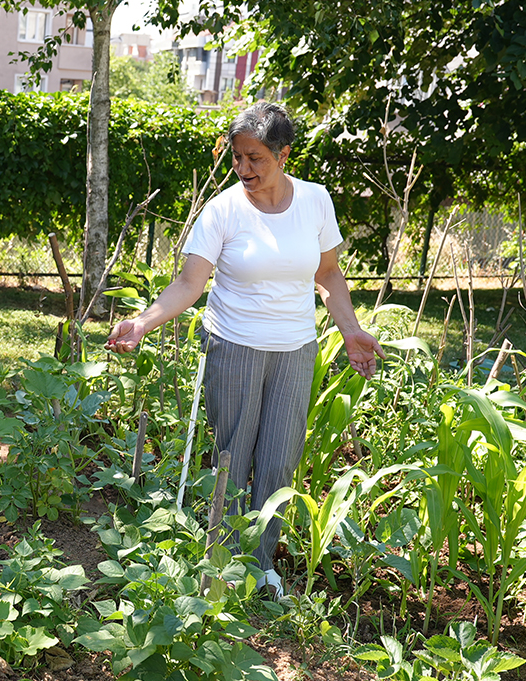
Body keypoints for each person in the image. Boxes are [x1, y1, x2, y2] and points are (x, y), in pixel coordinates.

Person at [105, 101, 385, 598]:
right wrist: (143, 322)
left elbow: (327, 274)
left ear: (283, 154)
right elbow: (191, 282)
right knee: (233, 456)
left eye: (255, 158)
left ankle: (262, 567)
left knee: (278, 461)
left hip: (295, 350)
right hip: (233, 345)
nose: (244, 169)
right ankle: (224, 566)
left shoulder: (316, 202)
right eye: (237, 157)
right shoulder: (224, 210)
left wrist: (351, 330)